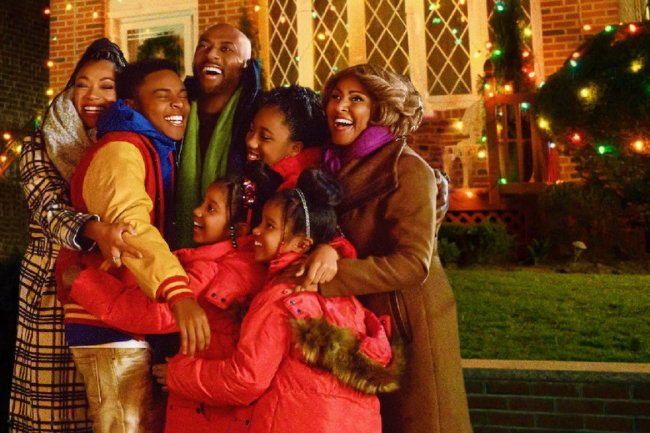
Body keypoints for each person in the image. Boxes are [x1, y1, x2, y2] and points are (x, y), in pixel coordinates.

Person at [153, 169, 402, 433]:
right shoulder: (340, 292)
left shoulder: (281, 297)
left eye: (269, 226)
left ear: (302, 244)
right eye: (260, 222)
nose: (257, 231)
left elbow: (245, 380)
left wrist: (178, 375)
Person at [300, 64, 473, 433]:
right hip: (364, 321)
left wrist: (333, 273)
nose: (340, 106)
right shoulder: (334, 166)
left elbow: (413, 263)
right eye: (334, 96)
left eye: (356, 99)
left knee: (423, 422)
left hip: (409, 319)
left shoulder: (407, 169)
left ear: (382, 109)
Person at [56, 58, 209, 433]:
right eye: (163, 96)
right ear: (132, 106)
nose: (178, 105)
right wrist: (179, 293)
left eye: (182, 96)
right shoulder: (121, 151)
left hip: (131, 313)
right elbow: (131, 228)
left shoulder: (154, 150)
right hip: (108, 321)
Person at [62, 176, 266, 433]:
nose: (197, 211)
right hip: (208, 406)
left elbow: (153, 314)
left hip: (200, 408)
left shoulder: (212, 270)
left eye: (210, 209)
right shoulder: (240, 264)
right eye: (203, 203)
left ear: (239, 229)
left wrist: (84, 282)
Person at [10, 38, 137, 433]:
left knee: (105, 409)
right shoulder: (39, 144)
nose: (92, 95)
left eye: (107, 85)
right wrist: (94, 228)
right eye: (82, 83)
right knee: (54, 404)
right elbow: (48, 207)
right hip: (51, 284)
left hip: (108, 287)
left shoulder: (126, 146)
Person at [175, 23, 261, 248]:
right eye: (204, 46)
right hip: (173, 249)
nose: (211, 54)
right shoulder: (173, 112)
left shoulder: (258, 118)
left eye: (226, 49)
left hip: (237, 256)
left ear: (245, 65)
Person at [243, 85, 328, 225]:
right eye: (251, 130)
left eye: (264, 137)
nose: (251, 142)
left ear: (295, 148)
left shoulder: (297, 197)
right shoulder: (264, 176)